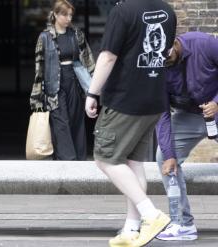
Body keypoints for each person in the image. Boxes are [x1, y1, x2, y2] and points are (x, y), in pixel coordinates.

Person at [84, 0, 177, 246]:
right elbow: (166, 53)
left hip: (125, 100)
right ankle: (132, 228)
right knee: (133, 162)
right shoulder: (167, 10)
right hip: (154, 99)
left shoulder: (122, 11)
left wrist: (92, 93)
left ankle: (151, 214)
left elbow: (107, 57)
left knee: (105, 158)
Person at [154, 32, 218, 241]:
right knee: (164, 157)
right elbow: (162, 114)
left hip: (215, 108)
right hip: (188, 114)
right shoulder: (156, 66)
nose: (164, 61)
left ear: (174, 41)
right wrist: (170, 153)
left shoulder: (205, 44)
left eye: (167, 56)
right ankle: (183, 224)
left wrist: (217, 102)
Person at [30, 0, 95, 160]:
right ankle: (67, 161)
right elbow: (39, 69)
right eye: (65, 14)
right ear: (55, 14)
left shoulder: (76, 34)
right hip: (54, 86)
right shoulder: (45, 37)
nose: (68, 18)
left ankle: (79, 160)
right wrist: (37, 98)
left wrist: (94, 88)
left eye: (70, 15)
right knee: (61, 123)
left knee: (76, 121)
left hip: (73, 81)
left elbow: (88, 61)